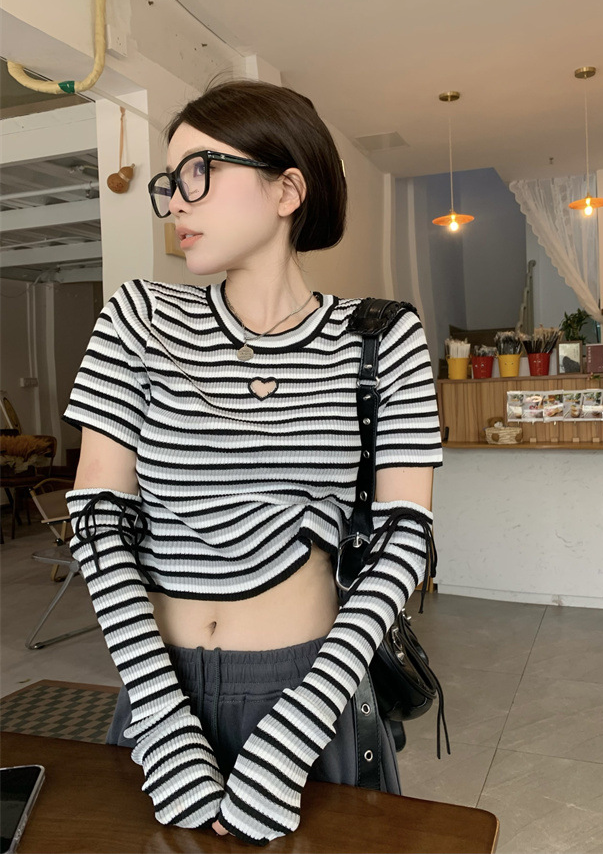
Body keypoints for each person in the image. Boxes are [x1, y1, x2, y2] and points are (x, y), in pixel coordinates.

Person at [63, 79, 444, 845]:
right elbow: (99, 519)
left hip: (308, 693)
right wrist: (164, 725)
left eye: (199, 172)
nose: (176, 201)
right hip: (158, 689)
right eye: (169, 182)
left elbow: (404, 539)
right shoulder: (137, 318)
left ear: (287, 190)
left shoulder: (381, 339)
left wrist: (296, 730)